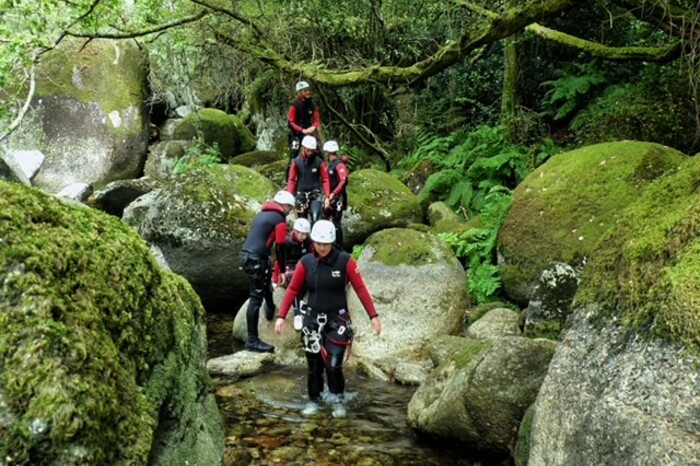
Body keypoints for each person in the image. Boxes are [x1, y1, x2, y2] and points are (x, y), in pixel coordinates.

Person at [275, 220, 382, 418]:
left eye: (325, 244)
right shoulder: (305, 262)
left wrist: (373, 316)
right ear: (313, 241)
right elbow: (292, 289)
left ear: (332, 242)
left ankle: (337, 399)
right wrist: (281, 316)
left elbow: (360, 288)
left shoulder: (345, 261)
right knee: (314, 367)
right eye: (318, 243)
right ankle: (314, 400)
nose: (321, 247)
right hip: (312, 319)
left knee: (333, 365)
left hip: (337, 319)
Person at [239, 190, 296, 353]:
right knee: (255, 298)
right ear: (284, 206)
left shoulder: (262, 214)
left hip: (248, 255)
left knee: (266, 280)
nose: (289, 211)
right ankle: (252, 340)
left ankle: (270, 306)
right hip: (256, 258)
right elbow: (280, 246)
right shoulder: (279, 219)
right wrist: (284, 270)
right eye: (289, 208)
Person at [271, 217, 314, 331]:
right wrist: (275, 278)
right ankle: (297, 313)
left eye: (305, 234)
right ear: (295, 230)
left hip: (302, 265)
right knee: (294, 280)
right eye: (299, 233)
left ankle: (300, 301)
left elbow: (313, 256)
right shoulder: (287, 242)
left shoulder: (309, 242)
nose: (302, 236)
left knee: (307, 277)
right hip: (289, 266)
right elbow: (278, 260)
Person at [287, 135, 332, 226]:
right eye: (308, 150)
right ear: (303, 148)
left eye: (312, 150)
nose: (310, 152)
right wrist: (289, 197)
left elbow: (325, 179)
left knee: (315, 217)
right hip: (301, 194)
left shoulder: (319, 162)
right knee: (301, 222)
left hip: (315, 194)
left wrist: (327, 196)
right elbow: (292, 180)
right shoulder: (296, 162)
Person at [322, 140, 349, 249]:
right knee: (325, 218)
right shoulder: (332, 164)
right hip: (331, 197)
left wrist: (333, 194)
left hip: (338, 198)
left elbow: (343, 181)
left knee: (337, 223)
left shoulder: (339, 164)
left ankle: (338, 248)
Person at [288, 81, 321, 161]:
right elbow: (291, 122)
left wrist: (313, 127)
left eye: (308, 90)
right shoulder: (294, 106)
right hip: (296, 134)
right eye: (305, 91)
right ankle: (289, 171)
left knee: (318, 153)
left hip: (309, 132)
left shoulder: (313, 105)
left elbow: (317, 120)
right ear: (300, 92)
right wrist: (302, 130)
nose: (308, 92)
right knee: (293, 155)